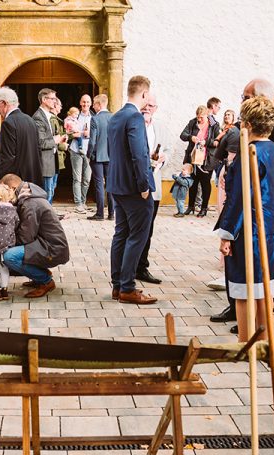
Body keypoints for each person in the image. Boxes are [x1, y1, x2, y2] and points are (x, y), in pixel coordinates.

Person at [215, 96, 274, 343]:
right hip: (271, 227)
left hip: (249, 230)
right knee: (263, 287)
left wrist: (227, 234)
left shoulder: (249, 154)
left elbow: (239, 198)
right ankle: (265, 341)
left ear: (247, 124)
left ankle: (246, 344)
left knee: (243, 290)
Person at [108, 75, 157, 305]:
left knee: (121, 234)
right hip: (134, 188)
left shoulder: (116, 116)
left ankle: (118, 285)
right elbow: (138, 154)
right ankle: (128, 288)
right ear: (144, 94)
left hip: (116, 184)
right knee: (138, 236)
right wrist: (144, 185)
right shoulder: (135, 117)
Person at [0, 174, 70, 298]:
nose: (4, 196)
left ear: (12, 188)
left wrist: (4, 243)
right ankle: (40, 276)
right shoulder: (28, 197)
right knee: (12, 251)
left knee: (9, 256)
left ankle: (46, 281)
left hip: (52, 248)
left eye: (5, 191)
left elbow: (25, 237)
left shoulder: (30, 203)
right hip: (46, 244)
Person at [136, 93, 169, 285]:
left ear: (156, 109)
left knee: (148, 229)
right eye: (146, 104)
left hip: (154, 183)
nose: (148, 108)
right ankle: (131, 266)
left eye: (152, 106)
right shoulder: (133, 125)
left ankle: (142, 267)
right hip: (136, 185)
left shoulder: (161, 127)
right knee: (135, 229)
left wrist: (162, 160)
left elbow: (168, 150)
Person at [0, 86, 42, 187]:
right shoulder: (30, 120)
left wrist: (0, 182)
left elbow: (7, 157)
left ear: (3, 103)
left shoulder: (8, 123)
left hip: (16, 183)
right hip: (32, 180)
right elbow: (38, 151)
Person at [179, 104, 216, 215]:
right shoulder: (192, 122)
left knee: (205, 184)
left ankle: (204, 208)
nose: (199, 119)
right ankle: (191, 207)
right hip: (193, 158)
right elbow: (183, 135)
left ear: (207, 115)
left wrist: (206, 142)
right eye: (198, 117)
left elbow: (217, 141)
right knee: (193, 183)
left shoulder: (213, 125)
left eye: (202, 118)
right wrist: (191, 137)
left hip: (206, 159)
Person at [32, 88, 64, 204]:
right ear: (44, 100)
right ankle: (45, 219)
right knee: (46, 193)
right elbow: (40, 143)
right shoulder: (38, 117)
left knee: (51, 191)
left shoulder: (48, 116)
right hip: (45, 163)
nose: (55, 102)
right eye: (53, 99)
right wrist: (55, 140)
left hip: (52, 161)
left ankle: (48, 217)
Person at [87, 93, 113, 220]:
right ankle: (112, 213)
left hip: (97, 156)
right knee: (110, 184)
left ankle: (100, 213)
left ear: (99, 104)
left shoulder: (95, 119)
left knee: (98, 184)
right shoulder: (114, 118)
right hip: (111, 157)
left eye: (94, 103)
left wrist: (89, 154)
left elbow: (92, 141)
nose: (93, 106)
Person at [68, 94, 93, 213]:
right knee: (77, 178)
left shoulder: (94, 117)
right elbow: (67, 132)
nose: (85, 104)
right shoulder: (74, 116)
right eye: (83, 102)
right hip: (76, 150)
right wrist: (77, 134)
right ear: (80, 102)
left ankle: (83, 202)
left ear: (91, 103)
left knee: (87, 179)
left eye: (88, 102)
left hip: (88, 151)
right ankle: (78, 204)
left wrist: (90, 134)